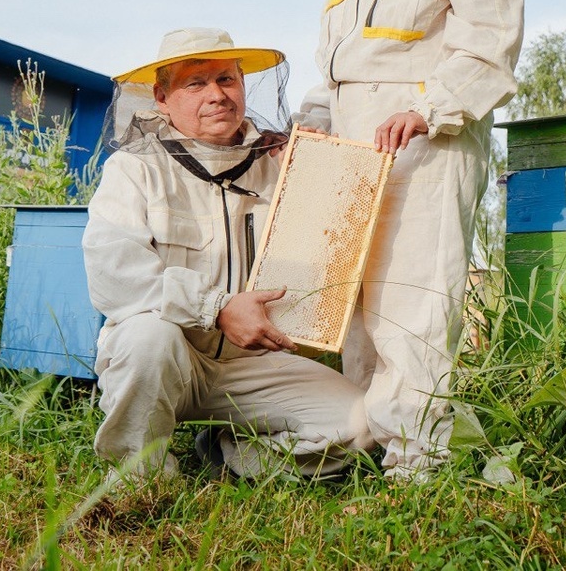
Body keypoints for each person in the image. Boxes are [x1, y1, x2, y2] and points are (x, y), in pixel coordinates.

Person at [296, 0, 525, 481]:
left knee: (413, 299)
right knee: (358, 306)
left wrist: (426, 109)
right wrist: (311, 122)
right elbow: (338, 75)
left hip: (428, 148)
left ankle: (417, 465)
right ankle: (371, 450)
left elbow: (486, 51)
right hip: (351, 157)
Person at [84, 27, 374, 482]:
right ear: (161, 98)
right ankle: (141, 481)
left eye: (226, 80)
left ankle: (228, 457)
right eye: (195, 84)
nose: (216, 95)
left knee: (364, 425)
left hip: (254, 365)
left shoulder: (280, 161)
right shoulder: (134, 169)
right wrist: (216, 309)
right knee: (146, 340)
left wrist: (317, 175)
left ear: (243, 86)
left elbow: (332, 256)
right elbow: (114, 276)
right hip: (172, 355)